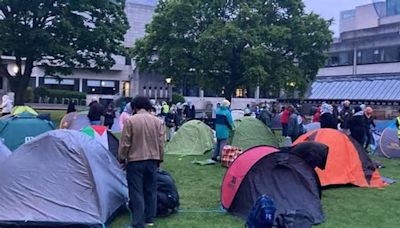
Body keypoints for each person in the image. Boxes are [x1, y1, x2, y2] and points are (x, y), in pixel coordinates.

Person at [118, 96, 164, 228]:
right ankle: (150, 218)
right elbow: (161, 143)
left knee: (136, 191)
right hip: (153, 160)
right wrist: (160, 159)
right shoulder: (157, 121)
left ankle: (138, 222)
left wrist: (121, 158)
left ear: (134, 107)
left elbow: (125, 143)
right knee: (151, 190)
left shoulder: (130, 121)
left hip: (135, 160)